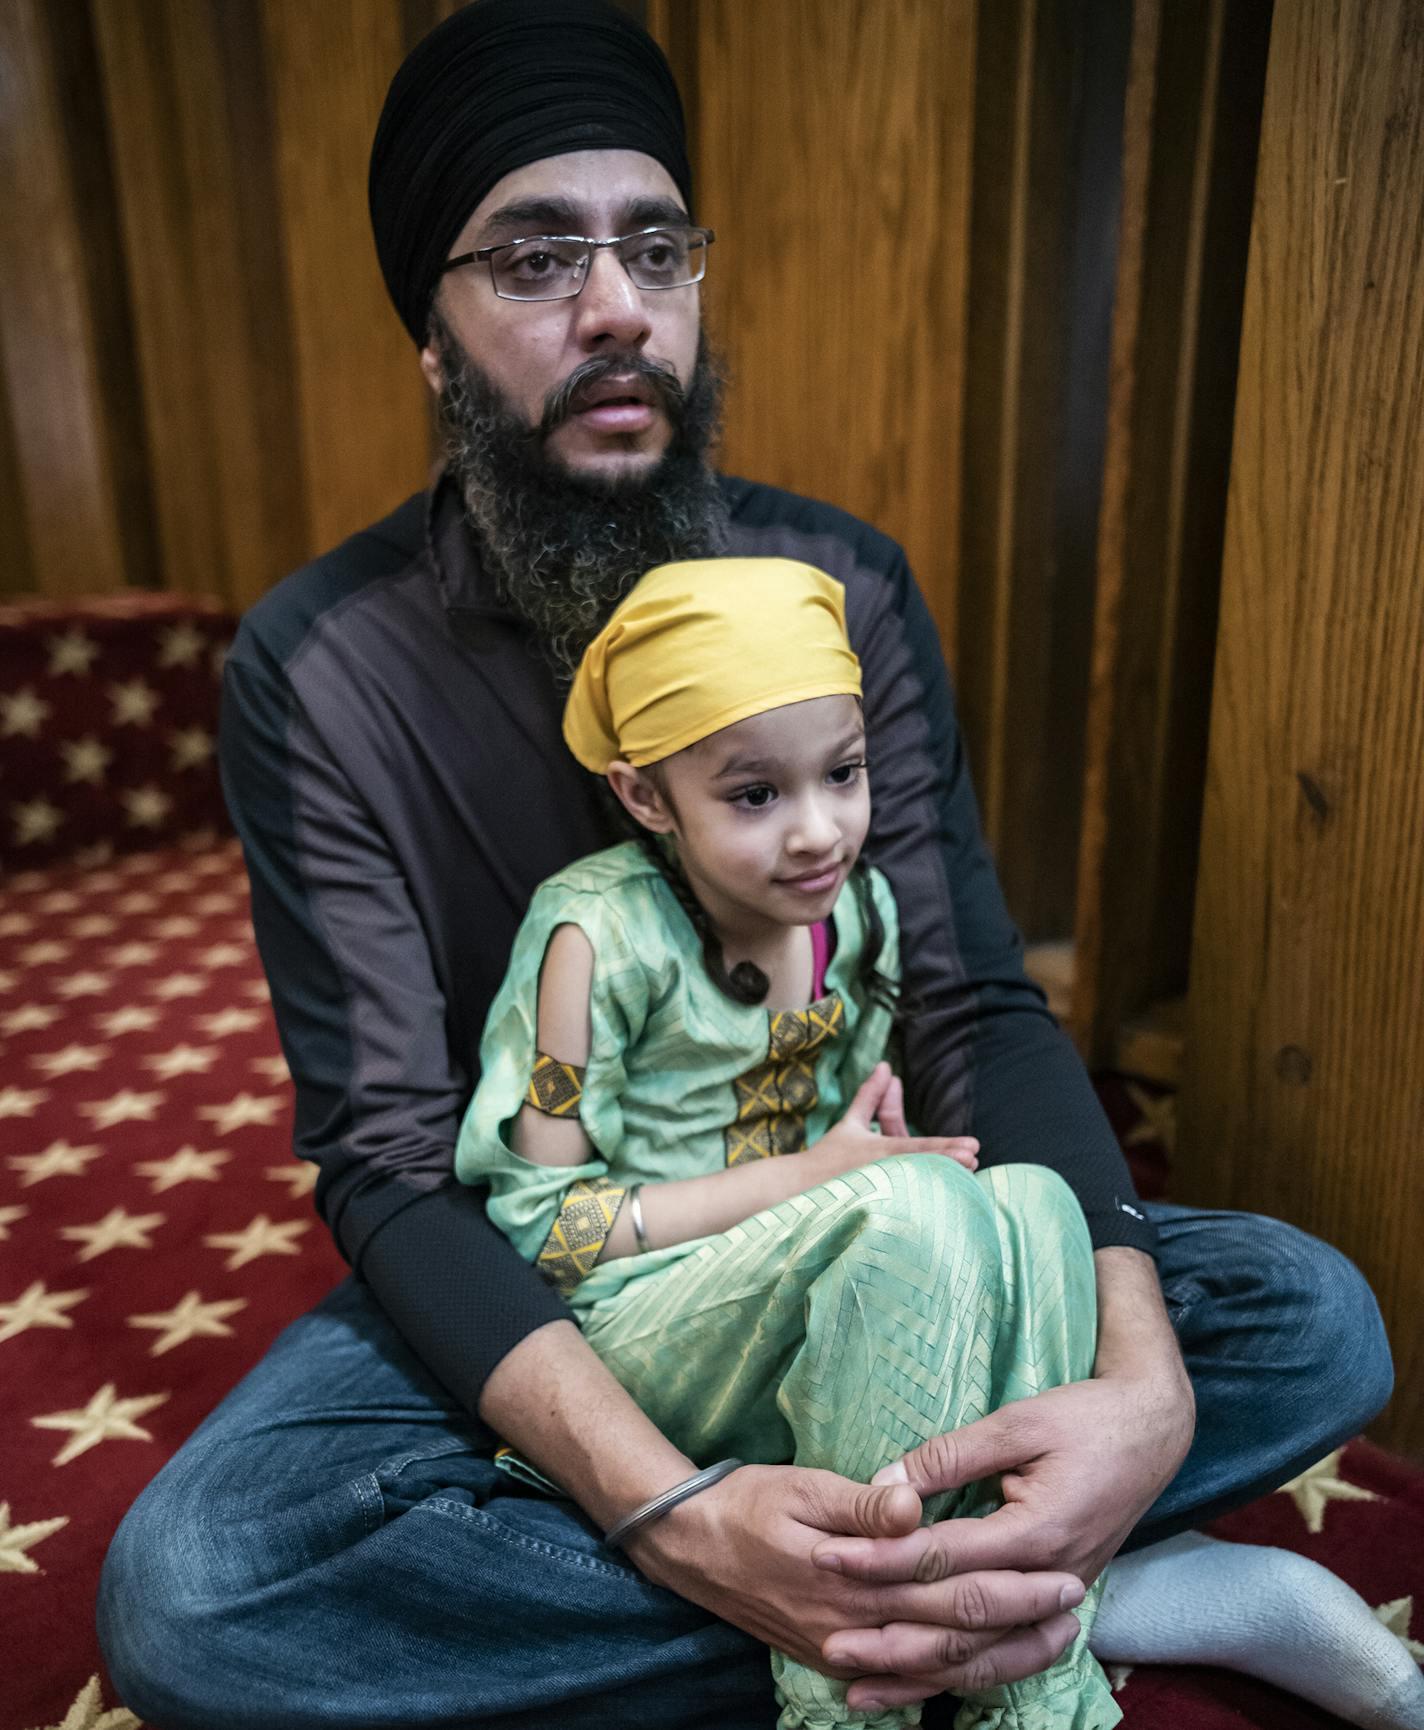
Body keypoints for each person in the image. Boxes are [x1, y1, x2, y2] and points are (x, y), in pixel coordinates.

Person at [96, 4, 1394, 1727]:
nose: (617, 305)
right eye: (535, 258)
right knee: (194, 1595)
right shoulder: (319, 668)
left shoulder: (836, 583)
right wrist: (666, 1503)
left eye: (653, 245)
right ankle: (1066, 1594)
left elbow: (973, 1007)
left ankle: (837, 1585)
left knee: (1305, 1317)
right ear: (431, 335)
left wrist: (1145, 1389)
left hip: (877, 1226)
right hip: (566, 1279)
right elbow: (395, 1168)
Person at [458, 550, 1122, 1730]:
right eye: (754, 795)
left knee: (1031, 1201)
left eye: (844, 773)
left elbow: (849, 1151)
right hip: (637, 1314)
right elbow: (546, 1227)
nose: (820, 832)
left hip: (819, 1286)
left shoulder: (854, 909)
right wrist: (825, 1180)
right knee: (916, 1210)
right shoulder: (589, 940)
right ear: (645, 796)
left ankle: (1019, 1678)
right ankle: (840, 1694)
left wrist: (869, 1153)